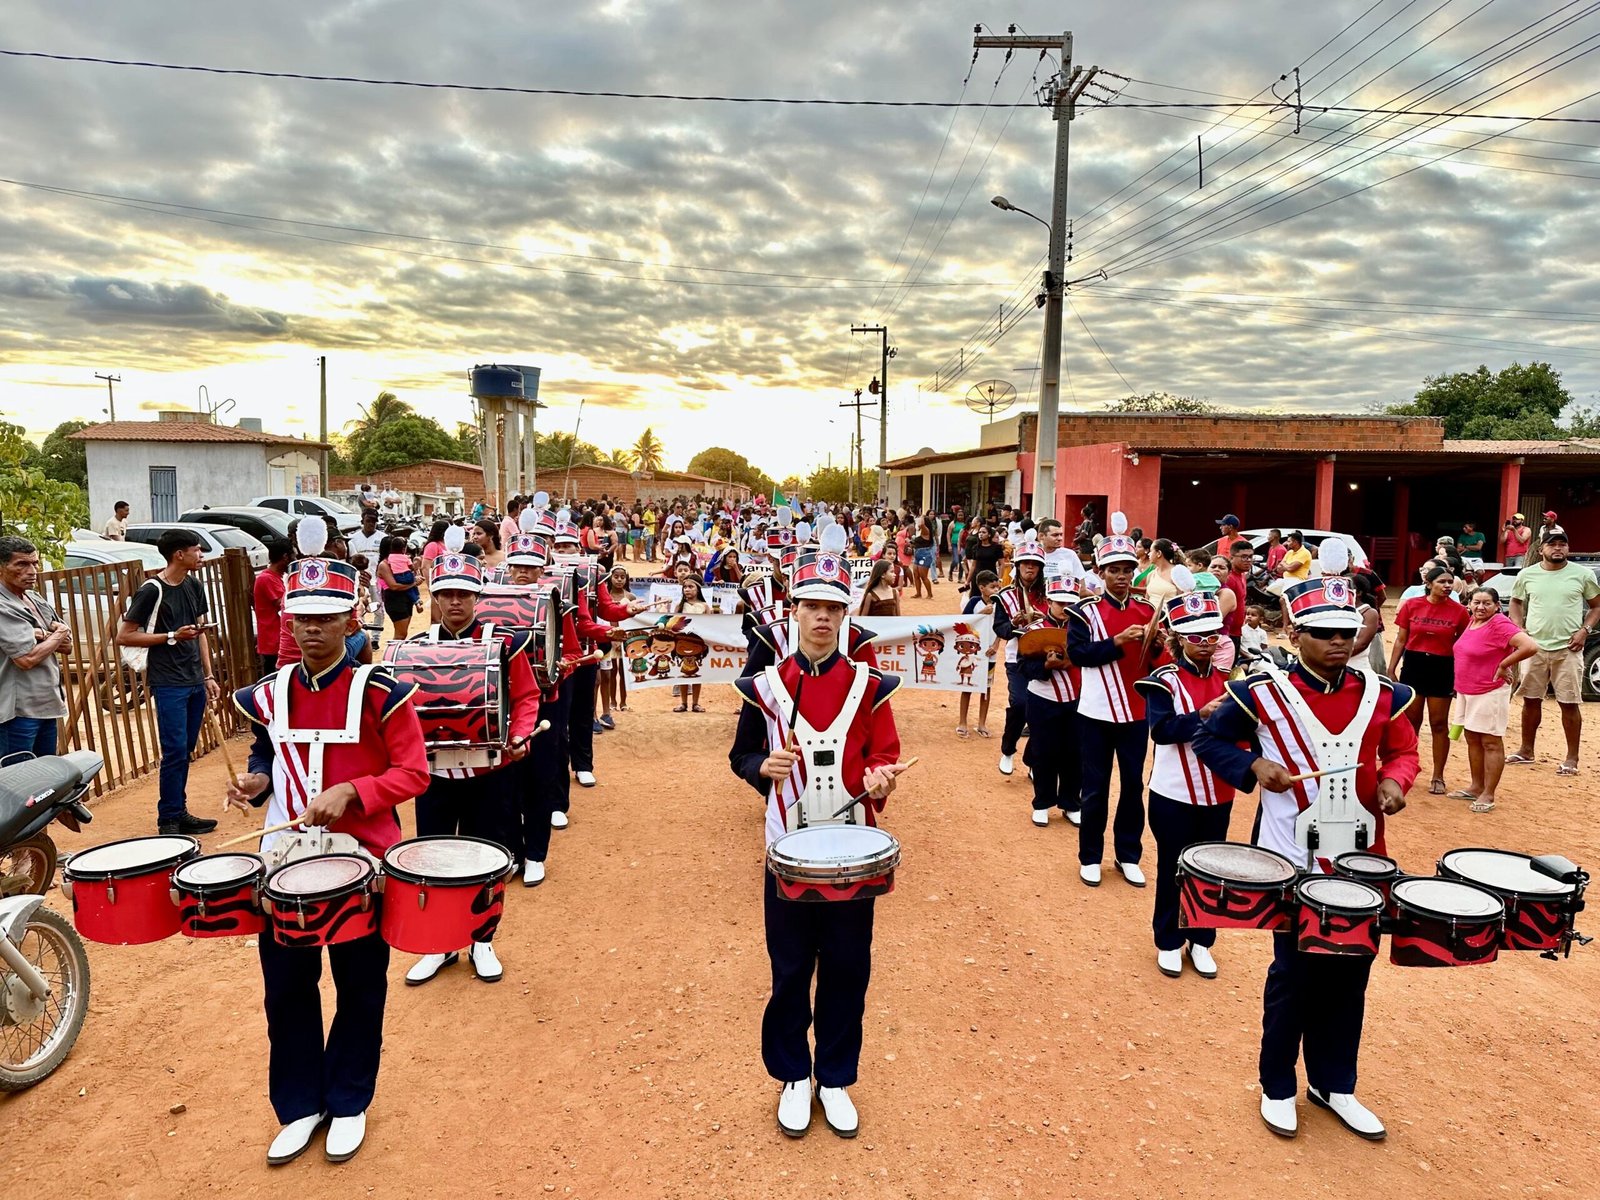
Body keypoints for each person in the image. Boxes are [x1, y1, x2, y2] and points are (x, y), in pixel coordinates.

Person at [1194, 576, 1419, 1142]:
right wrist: (1252, 766)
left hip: (1363, 859)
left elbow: (1402, 750)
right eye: (1323, 633)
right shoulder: (1260, 692)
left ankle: (1334, 1083)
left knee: (1351, 973)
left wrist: (1396, 781)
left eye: (1345, 632)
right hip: (1290, 857)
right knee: (1293, 975)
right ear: (1296, 635)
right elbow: (1208, 740)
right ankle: (1277, 1086)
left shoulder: (1383, 693)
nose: (1338, 642)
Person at [224, 552, 430, 1166]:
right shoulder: (269, 693)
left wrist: (354, 791)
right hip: (284, 859)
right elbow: (267, 752)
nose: (312, 628)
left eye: (326, 617)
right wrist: (258, 781)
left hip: (362, 861)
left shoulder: (382, 693)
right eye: (302, 617)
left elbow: (414, 773)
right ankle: (298, 1105)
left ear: (350, 620)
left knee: (359, 983)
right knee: (286, 985)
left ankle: (348, 1100)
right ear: (287, 620)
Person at [728, 553, 908, 1139]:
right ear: (795, 612)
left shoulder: (869, 685)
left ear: (844, 615)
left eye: (833, 607)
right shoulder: (764, 686)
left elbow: (884, 751)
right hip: (786, 845)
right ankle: (792, 1076)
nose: (823, 617)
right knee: (790, 967)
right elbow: (741, 755)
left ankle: (833, 1078)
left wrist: (881, 775)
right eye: (812, 607)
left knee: (848, 967)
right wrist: (762, 767)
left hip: (852, 851)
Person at [402, 543, 540, 987]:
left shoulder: (505, 644)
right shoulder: (414, 650)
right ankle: (441, 944)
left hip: (490, 772)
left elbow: (526, 696)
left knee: (487, 857)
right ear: (436, 597)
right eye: (447, 594)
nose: (455, 602)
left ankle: (483, 940)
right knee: (435, 859)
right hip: (435, 775)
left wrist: (519, 735)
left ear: (477, 596)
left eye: (463, 593)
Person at [1136, 590, 1233, 980]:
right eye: (1196, 636)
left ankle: (1202, 939)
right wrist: (1201, 715)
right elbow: (1161, 731)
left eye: (1212, 635)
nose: (1205, 643)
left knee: (1212, 869)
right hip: (1173, 792)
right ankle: (1169, 940)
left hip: (1219, 791)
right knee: (1173, 867)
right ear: (1178, 638)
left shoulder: (1229, 681)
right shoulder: (1164, 681)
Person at [1067, 517, 1155, 888]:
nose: (1121, 576)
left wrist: (1160, 646)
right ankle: (1090, 856)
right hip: (1095, 712)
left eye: (1126, 570)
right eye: (1114, 570)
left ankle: (1127, 855)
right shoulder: (1084, 612)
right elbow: (1077, 655)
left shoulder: (1148, 611)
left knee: (1133, 786)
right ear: (1101, 573)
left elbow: (1156, 664)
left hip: (1136, 713)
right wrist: (1116, 642)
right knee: (1095, 787)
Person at [116, 527, 220, 836]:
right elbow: (125, 635)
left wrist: (208, 675)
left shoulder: (194, 585)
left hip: (193, 678)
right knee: (174, 750)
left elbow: (201, 634)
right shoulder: (152, 590)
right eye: (197, 550)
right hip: (168, 681)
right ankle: (169, 820)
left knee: (184, 749)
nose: (201, 555)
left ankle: (178, 810)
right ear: (179, 554)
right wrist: (172, 635)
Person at [1507, 528, 1600, 775]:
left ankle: (1572, 758)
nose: (1558, 548)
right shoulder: (1527, 575)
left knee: (1569, 702)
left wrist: (1584, 631)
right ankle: (1526, 750)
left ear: (1568, 548)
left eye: (1562, 544)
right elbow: (1515, 602)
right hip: (1534, 648)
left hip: (1568, 648)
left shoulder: (1583, 574)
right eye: (1552, 544)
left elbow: (1596, 606)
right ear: (1541, 550)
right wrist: (1518, 629)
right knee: (1530, 700)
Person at [1450, 586, 1538, 812]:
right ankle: (1476, 786)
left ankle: (1488, 793)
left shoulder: (1499, 623)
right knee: (1472, 737)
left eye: (1487, 603)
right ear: (1469, 604)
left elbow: (1530, 646)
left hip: (1489, 690)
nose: (1481, 607)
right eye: (1476, 602)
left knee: (1490, 741)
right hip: (1467, 689)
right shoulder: (1473, 621)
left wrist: (1504, 664)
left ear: (1497, 606)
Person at [1389, 565, 1470, 794]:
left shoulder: (1459, 611)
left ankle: (1438, 775)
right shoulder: (1412, 605)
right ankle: (1406, 769)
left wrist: (1460, 675)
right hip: (1414, 665)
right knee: (1411, 722)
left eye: (1450, 582)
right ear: (1429, 584)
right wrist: (1391, 668)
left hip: (1443, 667)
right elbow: (1401, 639)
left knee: (1438, 723)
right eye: (1442, 582)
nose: (1447, 586)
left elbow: (1463, 645)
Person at [1018, 554, 1082, 828]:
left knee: (1075, 753)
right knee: (1044, 752)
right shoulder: (1033, 630)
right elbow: (1023, 666)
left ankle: (1071, 803)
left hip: (1078, 700)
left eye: (1070, 603)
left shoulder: (1084, 630)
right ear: (1049, 601)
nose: (1065, 608)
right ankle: (1042, 803)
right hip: (1043, 699)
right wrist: (1045, 665)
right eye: (1060, 603)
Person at [0, 536, 69, 757]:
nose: (32, 571)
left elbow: (67, 646)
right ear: (2, 567)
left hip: (47, 705)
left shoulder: (34, 598)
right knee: (19, 775)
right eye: (21, 564)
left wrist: (42, 635)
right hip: (18, 711)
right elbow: (26, 659)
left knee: (46, 774)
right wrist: (58, 633)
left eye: (35, 563)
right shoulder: (3, 605)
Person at [991, 541, 1047, 778]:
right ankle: (1008, 750)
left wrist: (1043, 619)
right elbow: (1000, 628)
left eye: (1035, 564)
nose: (1030, 568)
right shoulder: (1005, 597)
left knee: (1041, 711)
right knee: (1020, 704)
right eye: (1025, 563)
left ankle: (1033, 760)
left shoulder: (1050, 594)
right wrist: (1014, 624)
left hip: (1046, 658)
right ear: (1018, 566)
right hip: (1017, 658)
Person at [958, 571, 1001, 738]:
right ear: (982, 588)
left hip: (989, 652)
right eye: (992, 587)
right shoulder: (974, 602)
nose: (996, 590)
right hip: (972, 652)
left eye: (997, 587)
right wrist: (981, 613)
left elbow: (1001, 627)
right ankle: (962, 722)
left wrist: (996, 645)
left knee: (986, 688)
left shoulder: (1000, 604)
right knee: (967, 686)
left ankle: (982, 723)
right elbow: (963, 623)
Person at [673, 576, 712, 713]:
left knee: (696, 672)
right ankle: (683, 703)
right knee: (683, 671)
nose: (687, 590)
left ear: (698, 589)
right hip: (683, 643)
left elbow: (710, 624)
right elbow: (673, 624)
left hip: (697, 643)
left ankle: (695, 703)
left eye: (691, 587)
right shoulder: (679, 606)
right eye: (685, 587)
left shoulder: (705, 606)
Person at [254, 538, 291, 677]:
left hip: (277, 640)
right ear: (285, 557)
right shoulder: (267, 578)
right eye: (293, 556)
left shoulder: (276, 577)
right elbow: (284, 604)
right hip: (272, 642)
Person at [376, 536, 419, 640]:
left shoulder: (398, 562)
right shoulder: (384, 565)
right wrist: (414, 583)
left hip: (405, 598)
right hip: (395, 600)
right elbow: (394, 586)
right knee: (401, 635)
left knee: (402, 634)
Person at [1141, 539, 1182, 609]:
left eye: (1151, 551)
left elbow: (1182, 601)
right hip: (1151, 614)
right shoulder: (1151, 574)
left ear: (1159, 553)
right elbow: (1147, 599)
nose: (1148, 554)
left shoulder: (1177, 573)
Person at [909, 514, 935, 599]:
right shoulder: (920, 532)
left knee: (923, 576)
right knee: (916, 575)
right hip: (918, 554)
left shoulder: (926, 530)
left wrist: (922, 516)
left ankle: (930, 594)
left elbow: (921, 524)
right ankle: (918, 593)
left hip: (924, 555)